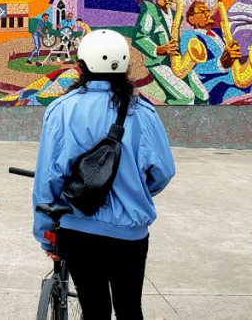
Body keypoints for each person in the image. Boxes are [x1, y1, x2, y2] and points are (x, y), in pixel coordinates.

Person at [32, 29, 175, 319]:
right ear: (123, 67)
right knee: (129, 308)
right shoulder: (143, 112)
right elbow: (163, 172)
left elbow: (48, 178)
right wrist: (135, 189)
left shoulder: (61, 110)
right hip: (131, 236)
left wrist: (45, 232)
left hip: (79, 231)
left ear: (81, 66)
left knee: (94, 309)